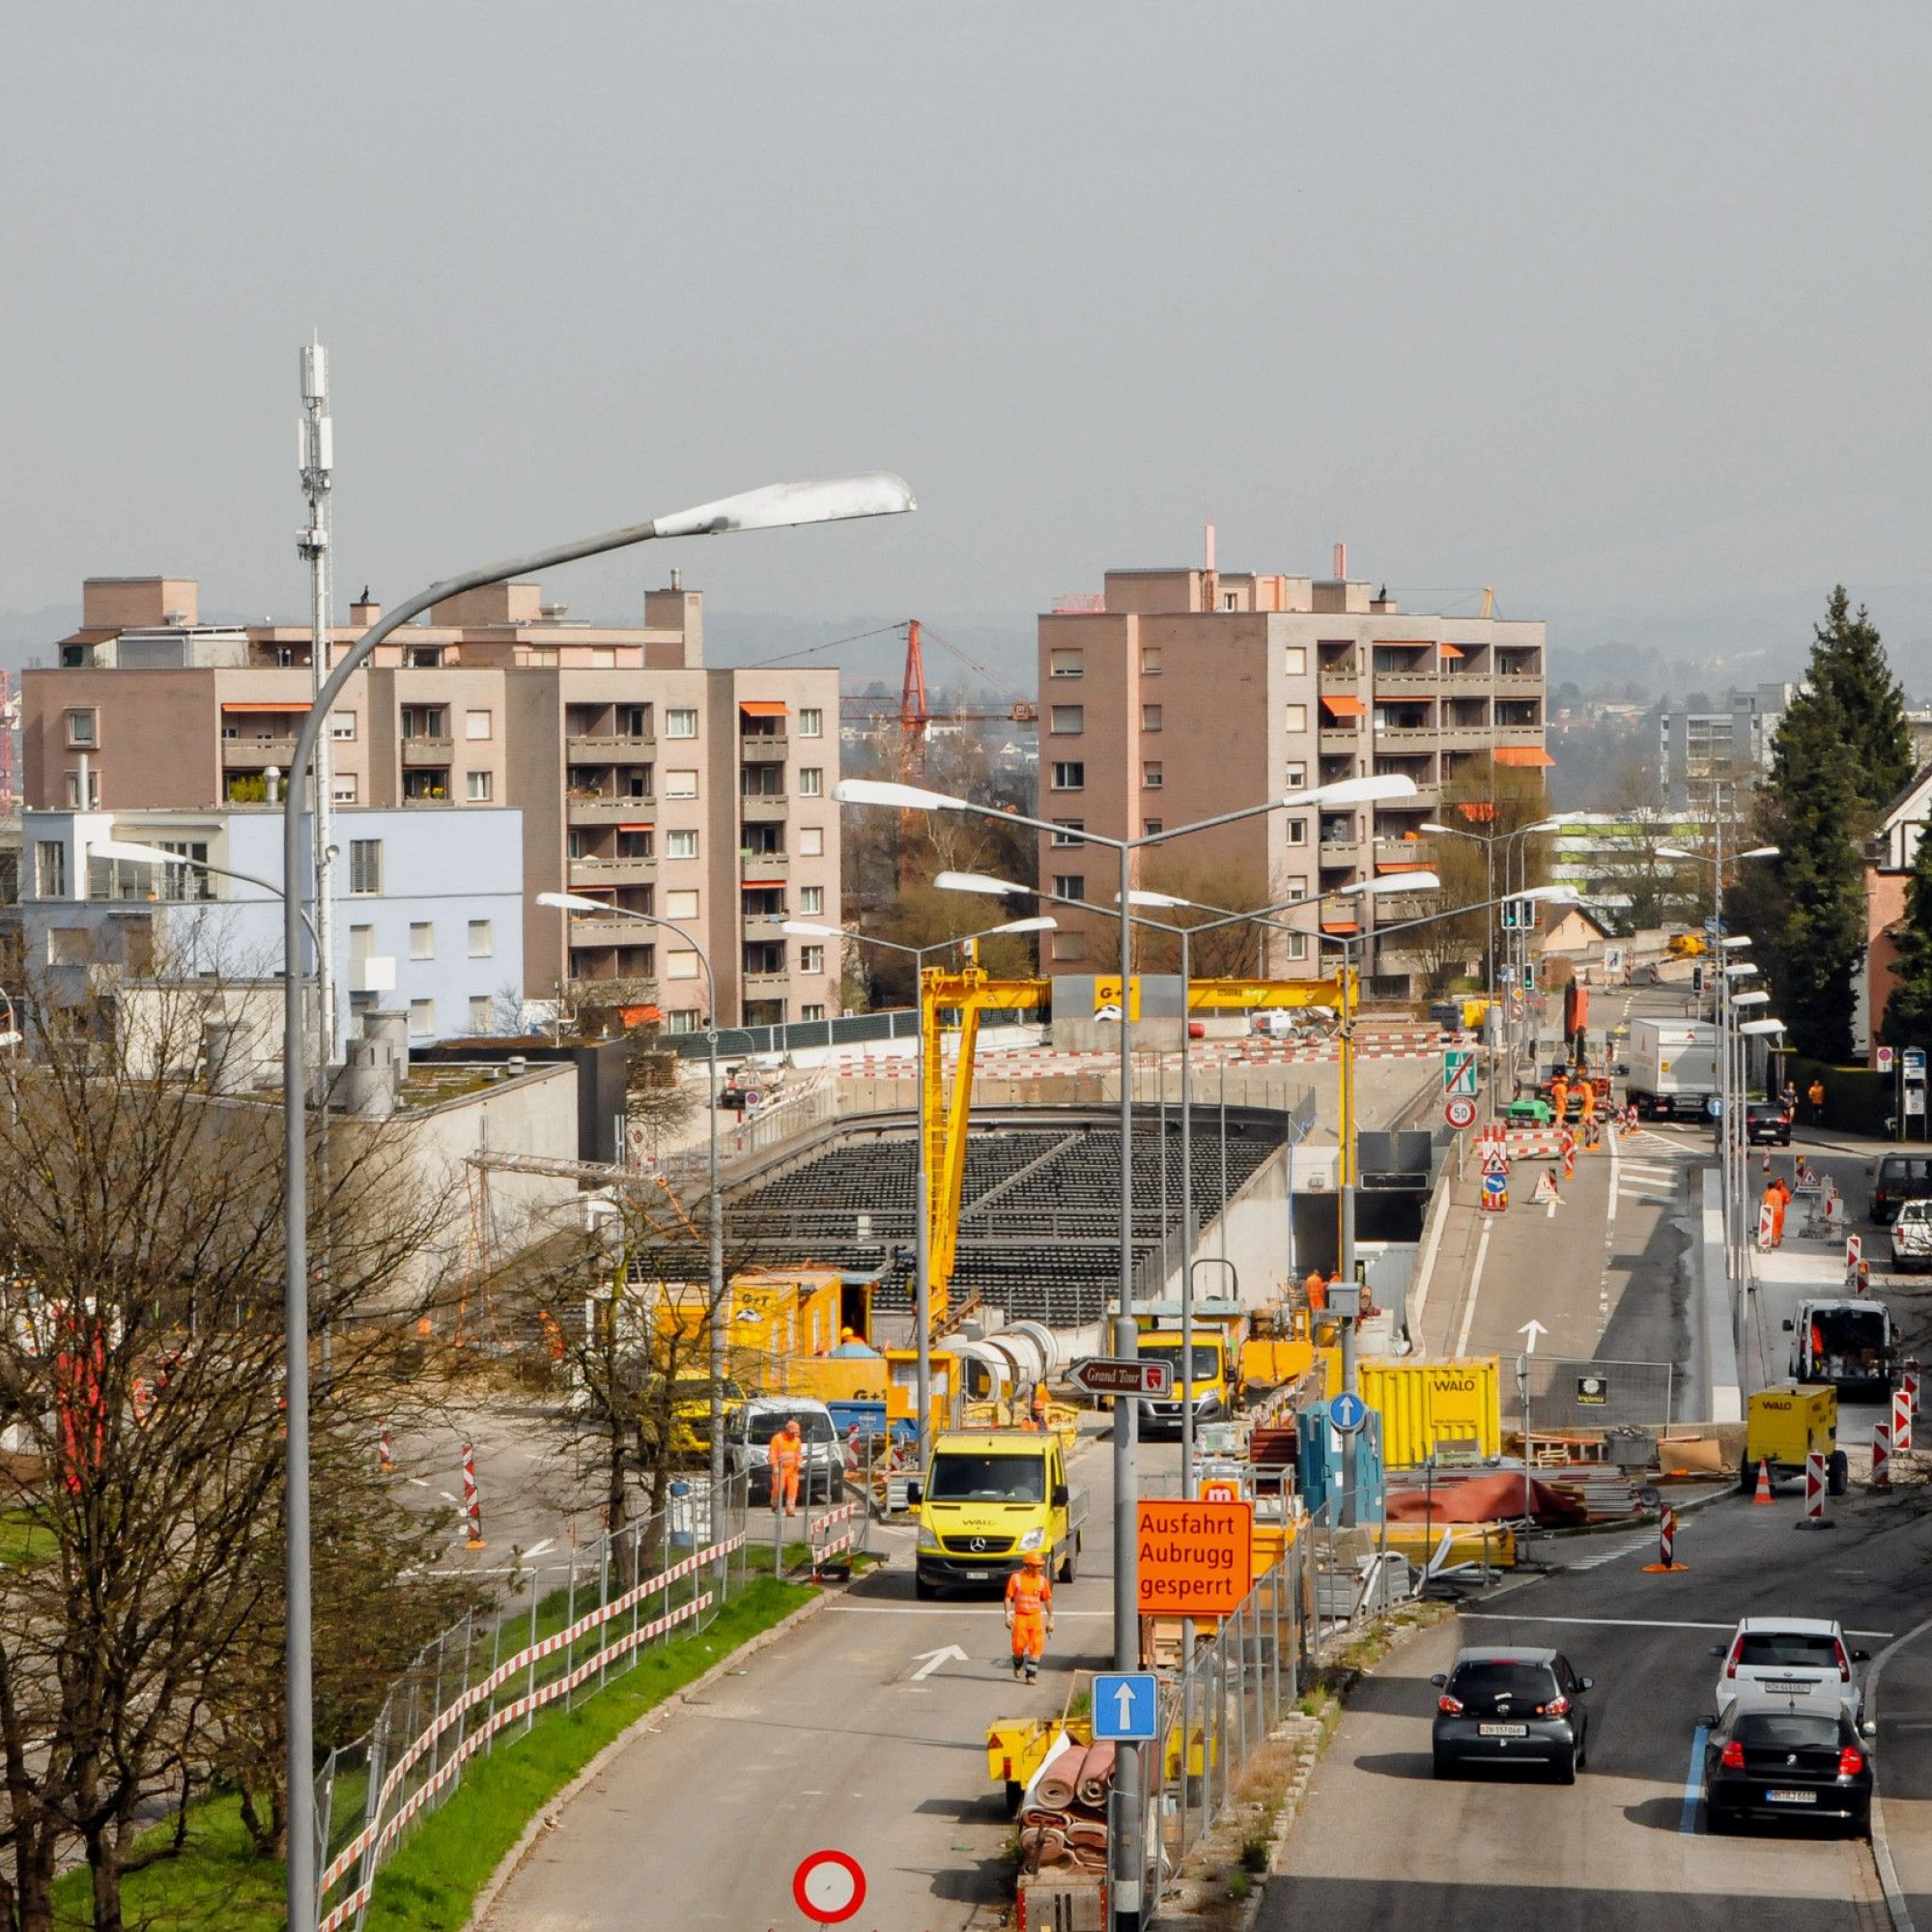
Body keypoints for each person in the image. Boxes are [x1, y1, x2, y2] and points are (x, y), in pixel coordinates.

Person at [1005, 1549, 1055, 1683]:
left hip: (1035, 1617)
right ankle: (1017, 1662)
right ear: (1029, 1565)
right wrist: (1008, 1614)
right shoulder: (1016, 1579)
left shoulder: (1042, 1581)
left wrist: (1051, 1619)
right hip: (1020, 1617)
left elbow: (1047, 1599)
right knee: (1018, 1647)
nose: (1040, 1568)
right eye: (1037, 1565)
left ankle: (1031, 1675)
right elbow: (1008, 1597)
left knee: (1037, 1647)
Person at [767, 1416, 804, 1517]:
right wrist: (774, 1466)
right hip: (780, 1469)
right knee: (779, 1487)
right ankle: (775, 1504)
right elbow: (772, 1454)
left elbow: (798, 1454)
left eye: (796, 1434)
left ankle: (790, 1509)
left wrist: (799, 1463)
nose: (794, 1436)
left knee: (793, 1489)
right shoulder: (777, 1439)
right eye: (793, 1433)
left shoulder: (797, 1440)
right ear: (788, 1431)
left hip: (792, 1470)